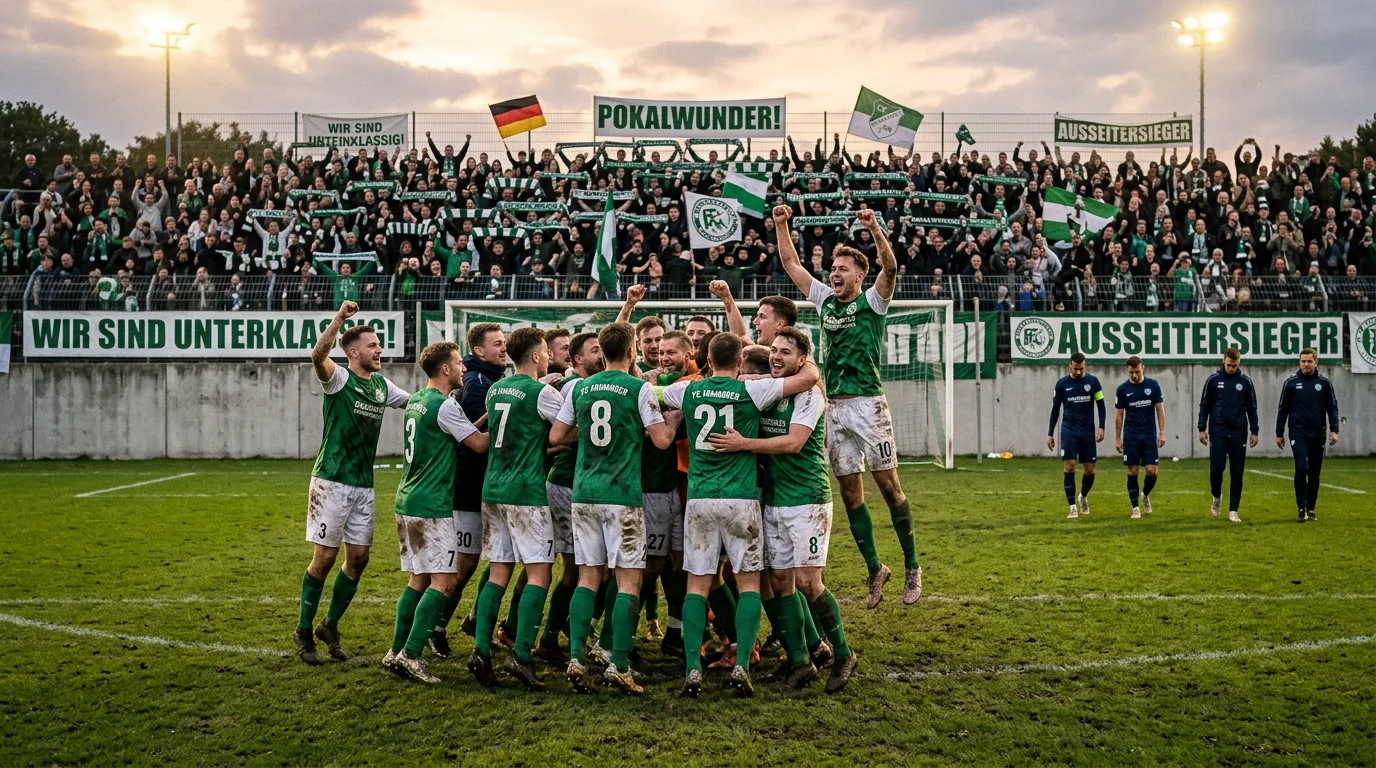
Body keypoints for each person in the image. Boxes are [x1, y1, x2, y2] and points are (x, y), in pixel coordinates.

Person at [773, 204, 922, 608]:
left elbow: (890, 268)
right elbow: (790, 263)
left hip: (869, 406)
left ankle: (912, 565)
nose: (834, 274)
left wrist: (874, 228)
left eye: (843, 269)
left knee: (889, 488)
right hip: (833, 410)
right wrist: (782, 223)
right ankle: (876, 568)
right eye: (832, 269)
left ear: (859, 275)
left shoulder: (873, 301)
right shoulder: (823, 300)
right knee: (851, 493)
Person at [661, 332, 819, 697]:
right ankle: (743, 667)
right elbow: (805, 379)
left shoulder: (687, 391)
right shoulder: (752, 391)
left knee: (697, 586)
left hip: (699, 499)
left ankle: (693, 671)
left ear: (706, 359)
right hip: (742, 500)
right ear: (738, 363)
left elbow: (654, 392)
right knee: (749, 584)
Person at [709, 327, 858, 693]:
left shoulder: (810, 395)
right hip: (774, 501)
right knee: (778, 583)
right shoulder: (768, 390)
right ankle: (799, 662)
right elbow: (746, 373)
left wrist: (744, 444)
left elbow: (794, 443)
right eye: (774, 350)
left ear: (802, 360)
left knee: (809, 582)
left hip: (807, 500)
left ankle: (842, 654)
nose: (777, 356)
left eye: (786, 352)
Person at [548, 322, 678, 694]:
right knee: (628, 580)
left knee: (587, 576)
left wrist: (585, 428)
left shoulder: (580, 386)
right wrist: (674, 420)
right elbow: (661, 440)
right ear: (634, 350)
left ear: (601, 352)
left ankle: (575, 656)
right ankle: (619, 663)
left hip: (584, 493)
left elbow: (556, 436)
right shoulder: (639, 388)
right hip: (622, 495)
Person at [294, 301, 410, 665]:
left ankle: (330, 625)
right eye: (373, 345)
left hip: (363, 483)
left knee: (358, 558)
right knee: (325, 559)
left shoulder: (380, 385)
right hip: (331, 480)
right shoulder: (338, 378)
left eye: (379, 345)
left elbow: (417, 402)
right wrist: (340, 319)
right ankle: (302, 630)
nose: (380, 350)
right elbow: (317, 354)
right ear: (353, 351)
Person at [383, 342, 488, 684]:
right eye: (459, 364)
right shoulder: (445, 406)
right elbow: (479, 444)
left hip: (407, 500)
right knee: (443, 582)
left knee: (418, 580)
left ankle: (395, 651)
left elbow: (460, 430)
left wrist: (483, 417)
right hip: (432, 505)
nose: (463, 370)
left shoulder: (417, 400)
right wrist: (506, 414)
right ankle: (412, 655)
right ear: (445, 369)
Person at [469, 328, 566, 689]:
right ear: (537, 356)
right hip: (525, 491)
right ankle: (521, 655)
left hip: (493, 488)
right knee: (540, 574)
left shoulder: (497, 389)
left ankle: (480, 649)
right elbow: (565, 430)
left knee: (499, 572)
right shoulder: (542, 393)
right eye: (545, 351)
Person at [539, 332, 603, 664]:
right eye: (594, 351)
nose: (601, 355)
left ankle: (564, 631)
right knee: (576, 570)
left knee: (586, 569)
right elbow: (558, 435)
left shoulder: (583, 385)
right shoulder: (575, 387)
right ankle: (550, 637)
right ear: (578, 361)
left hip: (576, 484)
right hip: (567, 484)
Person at [1275, 348, 1340, 523]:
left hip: (1318, 434)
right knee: (1302, 467)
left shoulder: (1324, 384)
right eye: (1303, 361)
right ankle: (1301, 507)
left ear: (1316, 362)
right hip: (1298, 433)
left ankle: (1311, 508)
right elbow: (1283, 409)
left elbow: (1332, 408)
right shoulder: (1291, 383)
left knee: (1314, 472)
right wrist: (1279, 433)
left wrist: (1334, 430)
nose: (1306, 364)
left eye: (1309, 361)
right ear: (1299, 362)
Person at [1197, 348, 1259, 523]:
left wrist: (1255, 431)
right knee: (1216, 469)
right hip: (1218, 431)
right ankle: (1216, 496)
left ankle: (1233, 510)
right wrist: (1202, 428)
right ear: (1223, 361)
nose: (1231, 368)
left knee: (1237, 473)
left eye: (1235, 365)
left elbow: (1251, 408)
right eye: (1229, 365)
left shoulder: (1245, 382)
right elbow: (1205, 405)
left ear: (1239, 363)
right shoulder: (1214, 380)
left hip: (1239, 432)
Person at [1047, 353, 1106, 519]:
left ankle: (1083, 496)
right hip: (1069, 431)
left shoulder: (1093, 382)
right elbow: (1055, 410)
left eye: (1081, 369)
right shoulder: (1062, 384)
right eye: (1075, 369)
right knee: (1070, 466)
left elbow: (1101, 405)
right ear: (1070, 366)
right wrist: (1050, 433)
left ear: (1085, 366)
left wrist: (1101, 427)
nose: (1079, 372)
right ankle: (1072, 506)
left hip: (1087, 431)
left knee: (1090, 470)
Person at [1114, 356, 1166, 519]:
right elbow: (1119, 415)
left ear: (1143, 368)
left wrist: (1162, 432)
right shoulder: (1122, 389)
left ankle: (1144, 495)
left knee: (1152, 471)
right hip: (1131, 436)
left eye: (1137, 372)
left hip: (1149, 435)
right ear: (1127, 371)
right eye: (1131, 373)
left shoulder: (1153, 385)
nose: (1134, 376)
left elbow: (1159, 409)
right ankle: (1135, 507)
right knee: (1133, 470)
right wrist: (1117, 437)